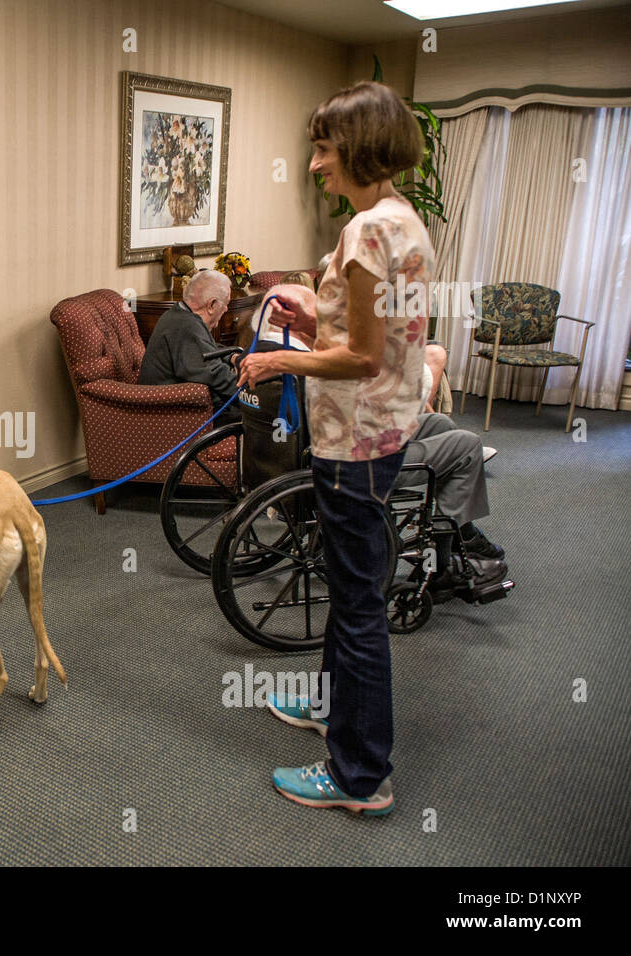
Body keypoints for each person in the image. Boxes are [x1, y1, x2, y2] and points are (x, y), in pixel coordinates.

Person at [237, 80, 431, 816]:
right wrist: (310, 311)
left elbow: (363, 361)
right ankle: (331, 705)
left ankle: (359, 774)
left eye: (322, 148)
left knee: (354, 606)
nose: (315, 165)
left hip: (353, 441)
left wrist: (282, 357)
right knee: (353, 589)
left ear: (355, 148)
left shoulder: (366, 233)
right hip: (385, 433)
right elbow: (369, 338)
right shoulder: (403, 220)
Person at [138, 269, 240, 425]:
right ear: (212, 304)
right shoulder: (186, 326)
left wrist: (232, 356)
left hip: (181, 409)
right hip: (174, 418)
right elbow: (214, 375)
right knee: (261, 417)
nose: (226, 309)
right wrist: (251, 393)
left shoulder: (178, 315)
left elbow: (206, 349)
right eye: (225, 303)